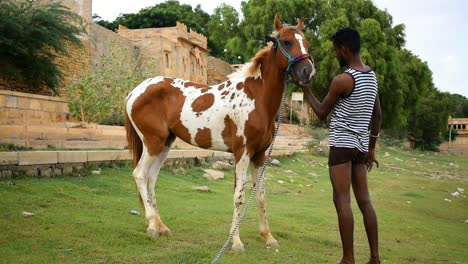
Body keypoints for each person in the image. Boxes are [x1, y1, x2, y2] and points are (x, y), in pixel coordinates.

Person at [299, 27, 381, 264]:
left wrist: (305, 87)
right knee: (365, 202)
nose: (335, 54)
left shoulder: (343, 80)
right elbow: (377, 115)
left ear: (344, 49)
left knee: (342, 200)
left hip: (342, 146)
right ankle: (375, 258)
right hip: (361, 148)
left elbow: (322, 112)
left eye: (336, 50)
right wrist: (372, 148)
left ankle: (348, 259)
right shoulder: (371, 77)